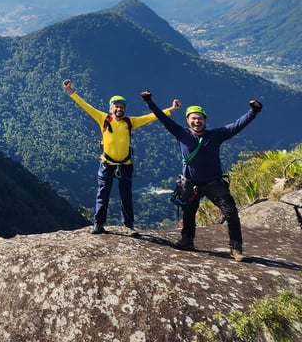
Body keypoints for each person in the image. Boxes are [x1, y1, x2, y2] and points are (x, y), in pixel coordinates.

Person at [141, 90, 263, 261]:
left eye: (200, 118)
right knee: (189, 213)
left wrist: (253, 111)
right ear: (188, 120)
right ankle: (187, 240)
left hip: (214, 183)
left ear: (205, 121)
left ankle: (236, 248)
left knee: (231, 212)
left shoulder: (215, 135)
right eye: (193, 118)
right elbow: (162, 118)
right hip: (191, 183)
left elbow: (237, 125)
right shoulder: (181, 133)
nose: (197, 121)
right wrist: (149, 102)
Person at [63, 79, 177, 234]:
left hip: (125, 164)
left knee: (126, 196)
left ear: (125, 110)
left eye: (122, 107)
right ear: (111, 109)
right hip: (107, 164)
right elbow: (85, 106)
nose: (119, 109)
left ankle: (128, 225)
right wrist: (70, 91)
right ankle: (98, 223)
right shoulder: (103, 119)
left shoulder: (130, 122)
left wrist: (171, 109)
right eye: (116, 106)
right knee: (103, 195)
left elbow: (151, 116)